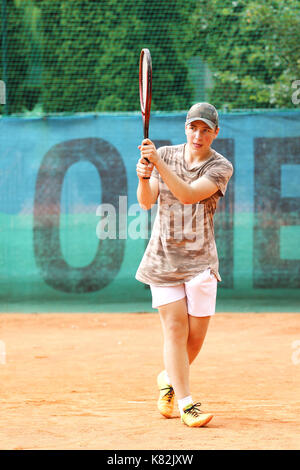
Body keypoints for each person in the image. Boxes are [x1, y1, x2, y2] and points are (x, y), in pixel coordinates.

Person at [135, 103, 233, 427]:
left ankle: (168, 379)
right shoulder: (167, 154)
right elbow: (147, 201)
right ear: (186, 128)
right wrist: (144, 177)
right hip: (163, 257)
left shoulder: (220, 167)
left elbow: (190, 194)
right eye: (194, 127)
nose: (198, 134)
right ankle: (187, 404)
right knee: (175, 329)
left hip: (201, 262)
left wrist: (158, 163)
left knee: (194, 339)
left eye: (206, 129)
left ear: (215, 133)